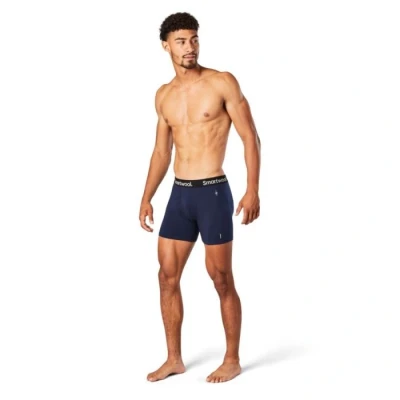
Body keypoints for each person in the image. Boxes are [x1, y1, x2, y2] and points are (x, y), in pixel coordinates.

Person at [139, 12, 261, 383]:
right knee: (166, 277)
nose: (189, 47)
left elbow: (250, 137)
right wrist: (146, 197)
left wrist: (252, 189)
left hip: (212, 192)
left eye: (193, 39)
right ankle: (174, 359)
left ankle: (232, 359)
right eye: (181, 41)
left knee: (221, 278)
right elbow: (161, 152)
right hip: (180, 195)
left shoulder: (221, 82)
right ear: (166, 46)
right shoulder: (164, 95)